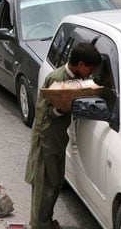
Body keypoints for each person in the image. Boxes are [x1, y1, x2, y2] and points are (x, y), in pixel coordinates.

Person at [26, 43, 102, 229]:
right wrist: (61, 108)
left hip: (59, 139)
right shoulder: (56, 79)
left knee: (56, 183)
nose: (90, 73)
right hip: (46, 140)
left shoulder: (75, 78)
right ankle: (38, 225)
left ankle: (46, 221)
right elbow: (44, 115)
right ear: (81, 64)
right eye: (90, 68)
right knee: (43, 185)